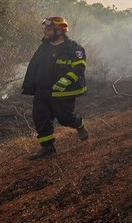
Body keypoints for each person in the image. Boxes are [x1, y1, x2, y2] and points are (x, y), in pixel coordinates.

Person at [21, 17, 89, 160]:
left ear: (59, 31)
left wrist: (66, 80)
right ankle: (47, 148)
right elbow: (34, 66)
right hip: (42, 91)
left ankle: (79, 124)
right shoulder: (43, 47)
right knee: (40, 117)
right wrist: (31, 84)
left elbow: (79, 67)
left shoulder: (74, 49)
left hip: (63, 92)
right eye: (44, 29)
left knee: (65, 118)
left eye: (48, 29)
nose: (45, 31)